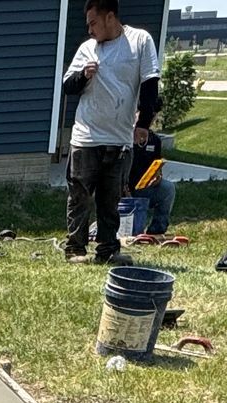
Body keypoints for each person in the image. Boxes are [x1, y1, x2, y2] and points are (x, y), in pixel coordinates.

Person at [61, 0, 161, 265]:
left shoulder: (139, 41)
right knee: (80, 196)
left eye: (93, 23)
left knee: (110, 199)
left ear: (110, 17)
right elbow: (68, 87)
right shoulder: (87, 49)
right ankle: (75, 249)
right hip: (86, 137)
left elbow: (150, 83)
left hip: (118, 138)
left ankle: (107, 251)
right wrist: (83, 75)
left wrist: (143, 123)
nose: (90, 30)